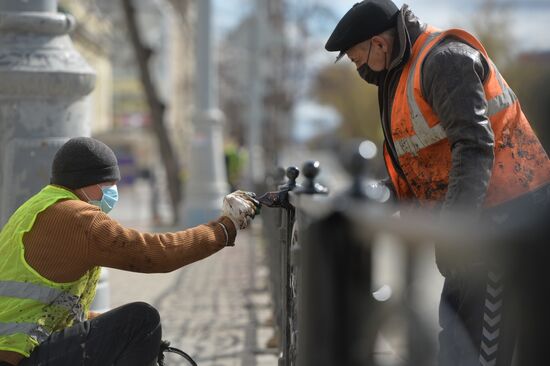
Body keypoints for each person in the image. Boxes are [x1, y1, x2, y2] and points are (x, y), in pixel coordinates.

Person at [325, 1, 550, 365]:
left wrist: (453, 228)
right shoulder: (402, 73)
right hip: (478, 224)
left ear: (379, 45)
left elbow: (474, 146)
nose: (360, 70)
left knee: (478, 350)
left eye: (357, 59)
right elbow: (419, 160)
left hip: (504, 225)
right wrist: (366, 199)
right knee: (455, 340)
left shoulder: (444, 61)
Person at [0, 137, 261, 366]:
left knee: (123, 328)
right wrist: (225, 229)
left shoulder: (35, 208)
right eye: (108, 184)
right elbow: (153, 253)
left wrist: (112, 332)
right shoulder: (78, 217)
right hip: (20, 356)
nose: (113, 192)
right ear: (86, 182)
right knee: (141, 320)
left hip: (14, 352)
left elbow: (47, 308)